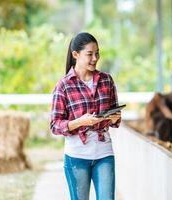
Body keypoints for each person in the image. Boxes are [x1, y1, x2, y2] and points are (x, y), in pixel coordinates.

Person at [50, 32, 121, 200]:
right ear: (76, 54)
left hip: (104, 152)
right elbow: (55, 125)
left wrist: (115, 118)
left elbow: (116, 117)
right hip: (77, 155)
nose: (95, 58)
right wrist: (80, 122)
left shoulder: (107, 80)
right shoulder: (64, 86)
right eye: (90, 54)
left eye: (97, 53)